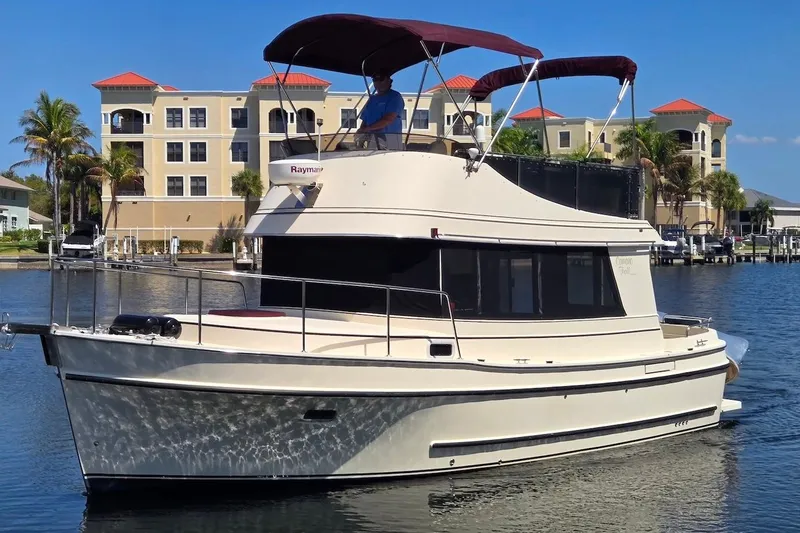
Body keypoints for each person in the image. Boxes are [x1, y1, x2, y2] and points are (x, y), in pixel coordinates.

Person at [356, 68, 405, 150]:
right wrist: (361, 135)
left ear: (389, 81)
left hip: (390, 142)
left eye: (381, 79)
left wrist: (367, 129)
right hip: (372, 142)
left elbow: (388, 119)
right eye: (375, 79)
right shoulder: (372, 99)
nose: (378, 82)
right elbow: (365, 120)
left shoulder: (395, 97)